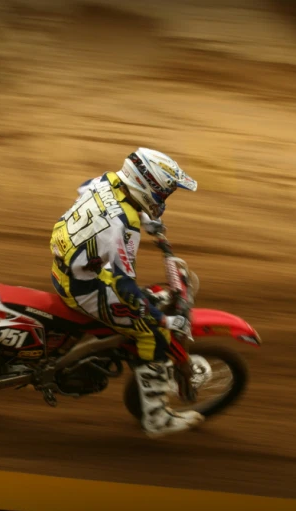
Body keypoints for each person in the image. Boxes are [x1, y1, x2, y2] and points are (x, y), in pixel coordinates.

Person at [49, 147, 204, 438]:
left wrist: (149, 222)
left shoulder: (103, 182)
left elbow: (89, 193)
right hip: (84, 287)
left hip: (69, 269)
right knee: (152, 333)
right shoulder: (124, 227)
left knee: (149, 300)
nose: (164, 199)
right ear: (148, 185)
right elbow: (124, 284)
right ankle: (157, 419)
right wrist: (164, 321)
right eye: (164, 192)